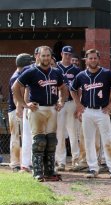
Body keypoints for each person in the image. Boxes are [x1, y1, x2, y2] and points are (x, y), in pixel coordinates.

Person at [12, 46, 69, 181]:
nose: (46, 58)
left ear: (51, 57)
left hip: (52, 109)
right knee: (39, 141)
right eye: (43, 56)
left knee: (51, 141)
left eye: (48, 56)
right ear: (38, 57)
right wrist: (24, 104)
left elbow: (63, 88)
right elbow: (15, 86)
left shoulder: (56, 72)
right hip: (37, 109)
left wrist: (62, 101)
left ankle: (49, 172)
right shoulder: (31, 72)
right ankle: (37, 172)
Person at [70, 49, 111, 179]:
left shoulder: (106, 73)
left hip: (102, 111)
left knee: (107, 140)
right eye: (90, 58)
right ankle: (93, 168)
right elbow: (72, 89)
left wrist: (110, 105)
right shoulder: (81, 75)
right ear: (86, 60)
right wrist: (78, 104)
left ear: (98, 59)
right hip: (87, 111)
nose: (93, 60)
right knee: (88, 141)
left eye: (95, 58)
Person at [55, 46, 81, 171]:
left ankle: (76, 160)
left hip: (71, 102)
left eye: (70, 55)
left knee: (73, 132)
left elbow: (79, 89)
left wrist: (78, 105)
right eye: (66, 54)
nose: (68, 57)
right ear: (61, 54)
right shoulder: (55, 67)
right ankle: (61, 161)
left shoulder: (76, 69)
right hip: (59, 103)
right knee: (59, 132)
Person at [7, 53, 33, 172]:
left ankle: (23, 162)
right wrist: (19, 108)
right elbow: (15, 96)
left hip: (20, 109)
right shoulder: (16, 76)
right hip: (15, 110)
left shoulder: (21, 75)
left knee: (24, 137)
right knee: (16, 137)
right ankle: (15, 163)